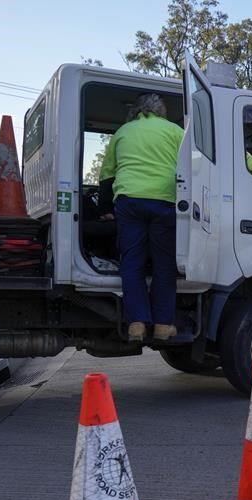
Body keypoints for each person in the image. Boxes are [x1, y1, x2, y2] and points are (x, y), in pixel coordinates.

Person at [98, 93, 183, 342]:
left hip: (129, 201)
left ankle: (137, 323)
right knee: (163, 265)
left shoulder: (123, 132)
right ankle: (163, 325)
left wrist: (105, 207)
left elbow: (106, 173)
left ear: (136, 110)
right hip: (164, 201)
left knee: (131, 262)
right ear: (161, 111)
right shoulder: (174, 131)